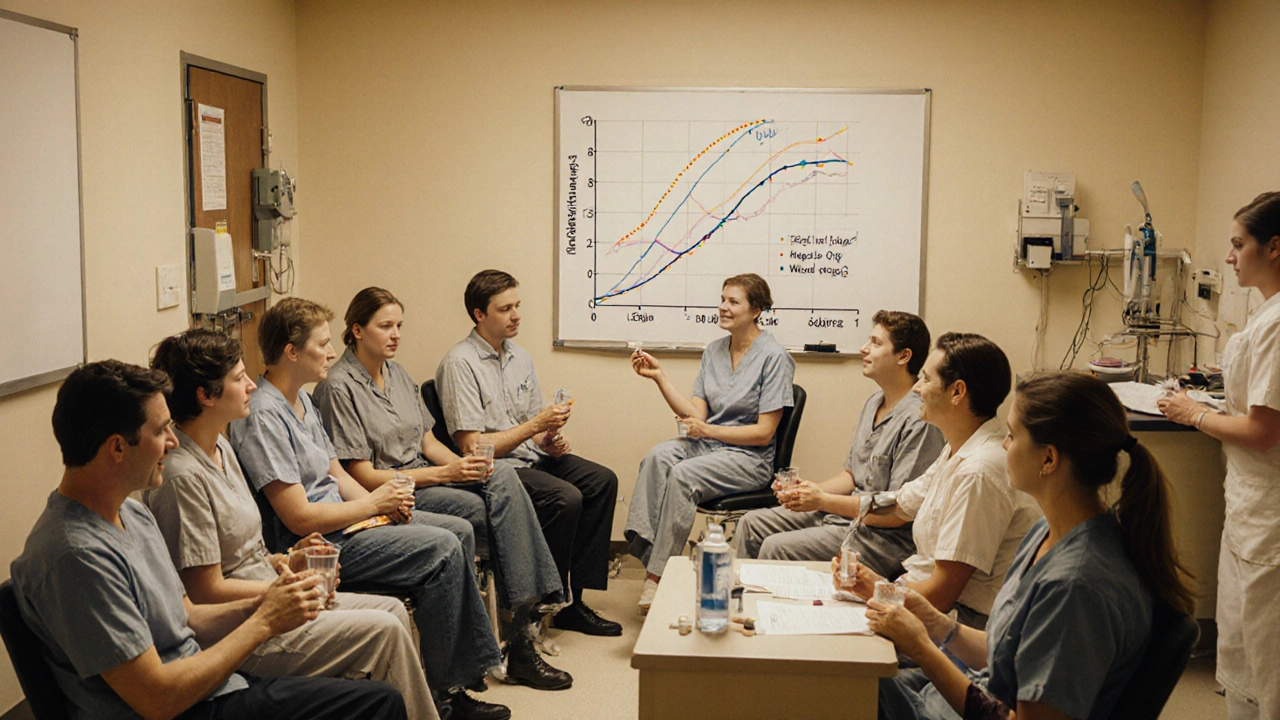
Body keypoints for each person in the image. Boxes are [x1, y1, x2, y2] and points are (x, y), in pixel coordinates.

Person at [9, 360, 406, 720]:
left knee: (375, 693)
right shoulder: (75, 557)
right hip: (183, 707)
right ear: (116, 447)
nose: (173, 442)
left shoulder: (129, 511)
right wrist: (265, 622)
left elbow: (190, 617)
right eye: (160, 430)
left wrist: (267, 601)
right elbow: (157, 699)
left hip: (208, 688)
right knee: (377, 704)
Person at [228, 297, 512, 720]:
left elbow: (336, 475)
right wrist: (372, 506)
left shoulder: (303, 403)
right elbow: (298, 518)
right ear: (291, 352)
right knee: (442, 549)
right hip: (319, 544)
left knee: (458, 530)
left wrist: (378, 507)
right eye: (321, 344)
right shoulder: (264, 415)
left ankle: (460, 677)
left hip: (349, 523)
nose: (330, 352)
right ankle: (447, 694)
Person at [142, 328, 438, 720]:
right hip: (242, 628)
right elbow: (204, 591)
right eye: (238, 379)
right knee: (384, 632)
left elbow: (245, 548)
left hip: (270, 589)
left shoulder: (221, 447)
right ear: (206, 395)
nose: (251, 386)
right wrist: (283, 588)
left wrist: (286, 560)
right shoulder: (182, 479)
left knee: (394, 613)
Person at [868, 371, 1196, 720]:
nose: (1005, 445)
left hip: (963, 708)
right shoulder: (1047, 532)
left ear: (1049, 459)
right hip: (964, 692)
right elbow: (1006, 654)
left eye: (1011, 435)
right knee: (843, 676)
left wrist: (920, 647)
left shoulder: (1074, 587)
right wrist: (935, 624)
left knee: (835, 688)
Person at [314, 288, 575, 689]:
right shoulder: (338, 386)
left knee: (501, 475)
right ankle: (522, 630)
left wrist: (463, 467)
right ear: (356, 330)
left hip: (428, 475)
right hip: (397, 489)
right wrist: (444, 476)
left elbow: (428, 442)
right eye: (385, 326)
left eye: (399, 325)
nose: (396, 334)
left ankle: (518, 626)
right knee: (504, 522)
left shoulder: (397, 374)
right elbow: (363, 476)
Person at [436, 270, 622, 637]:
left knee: (602, 481)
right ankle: (536, 604)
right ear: (479, 314)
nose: (516, 314)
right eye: (505, 309)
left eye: (517, 305)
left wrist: (547, 439)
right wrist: (536, 426)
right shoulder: (460, 364)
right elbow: (474, 446)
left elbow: (529, 427)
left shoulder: (519, 356)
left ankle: (572, 602)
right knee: (565, 498)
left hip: (529, 456)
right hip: (497, 470)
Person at [1158, 191, 1280, 720]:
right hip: (1252, 506)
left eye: (1238, 244)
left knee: (1265, 653)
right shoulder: (1266, 315)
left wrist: (1193, 414)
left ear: (1274, 247)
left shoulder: (1278, 324)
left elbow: (1261, 430)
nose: (1230, 257)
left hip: (1268, 511)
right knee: (1242, 644)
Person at [838, 333, 1040, 629]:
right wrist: (825, 501)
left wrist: (874, 588)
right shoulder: (956, 448)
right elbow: (899, 504)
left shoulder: (978, 472)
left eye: (925, 380)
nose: (917, 389)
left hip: (960, 622)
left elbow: (941, 596)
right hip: (919, 597)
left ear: (957, 392)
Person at [626, 273, 796, 613]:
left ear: (757, 309)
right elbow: (695, 414)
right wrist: (659, 377)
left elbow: (763, 433)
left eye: (733, 302)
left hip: (749, 459)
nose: (723, 307)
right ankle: (655, 557)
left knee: (683, 475)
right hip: (711, 446)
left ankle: (657, 576)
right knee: (658, 456)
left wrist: (709, 432)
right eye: (722, 299)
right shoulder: (715, 351)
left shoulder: (775, 357)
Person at [736, 310, 944, 578]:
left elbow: (897, 512)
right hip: (846, 514)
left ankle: (772, 614)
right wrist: (805, 493)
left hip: (883, 538)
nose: (864, 348)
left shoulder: (919, 420)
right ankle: (742, 606)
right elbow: (852, 475)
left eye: (876, 343)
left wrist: (823, 500)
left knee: (777, 548)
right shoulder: (874, 403)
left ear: (903, 356)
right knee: (750, 524)